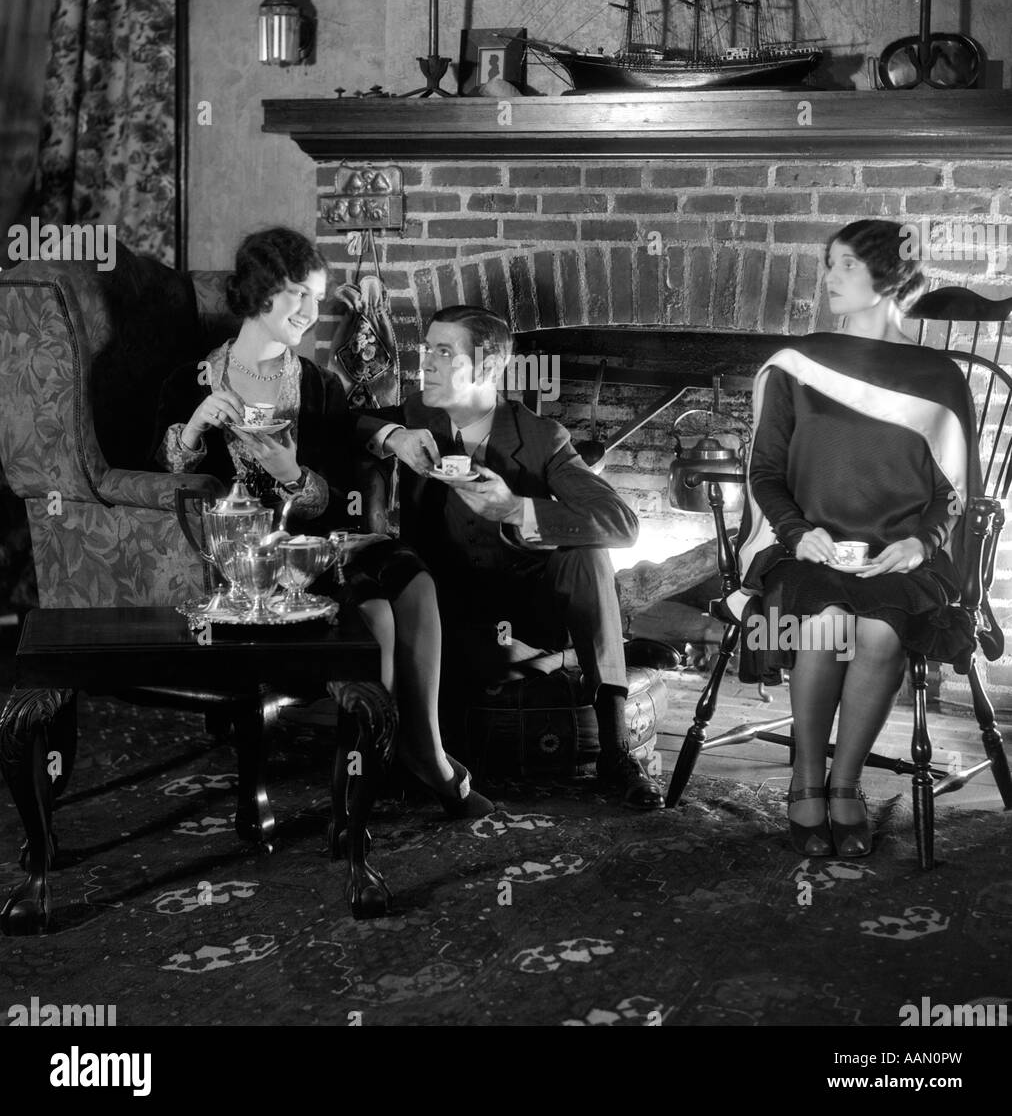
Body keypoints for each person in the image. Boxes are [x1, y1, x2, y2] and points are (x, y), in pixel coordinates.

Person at [154, 227, 492, 819]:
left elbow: (336, 497)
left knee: (411, 577)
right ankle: (378, 773)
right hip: (249, 559)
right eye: (298, 297)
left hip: (316, 541)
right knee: (379, 614)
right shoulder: (191, 382)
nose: (313, 314)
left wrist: (292, 473)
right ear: (259, 294)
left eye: (318, 297)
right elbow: (160, 473)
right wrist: (193, 429)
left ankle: (424, 753)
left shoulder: (313, 384)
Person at [732, 219, 993, 856]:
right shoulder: (798, 365)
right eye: (830, 264)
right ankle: (804, 783)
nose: (828, 278)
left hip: (901, 554)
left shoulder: (939, 380)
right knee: (821, 622)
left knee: (877, 631)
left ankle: (845, 785)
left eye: (844, 264)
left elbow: (951, 493)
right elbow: (765, 470)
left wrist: (922, 544)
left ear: (888, 277)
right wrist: (796, 534)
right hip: (807, 547)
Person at [356, 304, 664, 810]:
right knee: (441, 620)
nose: (425, 363)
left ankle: (615, 751)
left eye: (443, 352)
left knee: (588, 559)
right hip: (446, 618)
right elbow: (338, 423)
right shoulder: (416, 416)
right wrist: (392, 437)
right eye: (425, 349)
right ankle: (529, 677)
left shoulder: (541, 438)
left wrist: (517, 508)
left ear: (487, 367)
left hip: (528, 611)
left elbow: (622, 524)